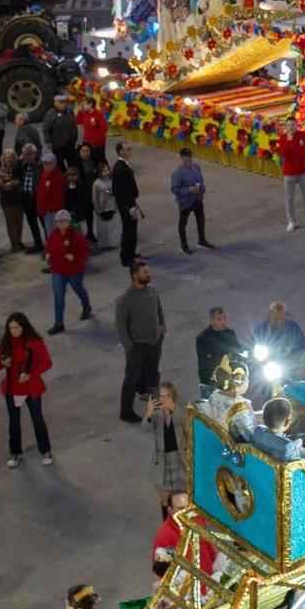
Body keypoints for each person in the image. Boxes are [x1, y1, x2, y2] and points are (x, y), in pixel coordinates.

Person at [0, 312, 54, 468]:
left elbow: (47, 363)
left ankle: (46, 451)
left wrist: (31, 375)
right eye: (10, 328)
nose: (13, 331)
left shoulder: (35, 342)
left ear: (24, 326)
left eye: (16, 327)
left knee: (37, 419)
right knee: (13, 422)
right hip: (11, 388)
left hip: (30, 387)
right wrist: (3, 362)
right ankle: (15, 452)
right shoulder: (6, 342)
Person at [116, 259, 167, 423]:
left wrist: (162, 325)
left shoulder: (152, 291)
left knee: (153, 374)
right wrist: (130, 347)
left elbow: (159, 309)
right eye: (145, 272)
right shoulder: (126, 300)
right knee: (131, 378)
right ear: (135, 275)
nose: (148, 274)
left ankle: (154, 404)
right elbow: (120, 325)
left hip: (155, 342)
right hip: (138, 346)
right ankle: (126, 411)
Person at [44, 211, 94, 333]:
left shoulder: (76, 236)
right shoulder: (53, 235)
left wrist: (75, 257)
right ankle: (59, 322)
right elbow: (49, 247)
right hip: (58, 270)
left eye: (64, 221)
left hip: (74, 270)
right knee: (58, 297)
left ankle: (86, 306)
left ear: (69, 222)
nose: (61, 223)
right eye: (59, 221)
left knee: (78, 289)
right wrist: (48, 254)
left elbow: (86, 251)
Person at [147, 382, 190, 518]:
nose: (163, 398)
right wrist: (148, 414)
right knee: (165, 499)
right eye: (161, 395)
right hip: (162, 464)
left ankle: (185, 527)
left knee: (183, 498)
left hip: (179, 461)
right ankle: (167, 528)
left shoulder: (179, 411)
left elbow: (189, 426)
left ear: (173, 396)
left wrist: (174, 409)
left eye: (167, 395)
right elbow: (145, 429)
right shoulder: (156, 414)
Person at [278, 121, 305, 232]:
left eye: (293, 125)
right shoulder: (283, 138)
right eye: (289, 125)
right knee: (289, 198)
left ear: (296, 126)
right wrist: (289, 140)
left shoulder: (303, 135)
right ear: (286, 127)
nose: (291, 127)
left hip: (303, 172)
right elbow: (283, 153)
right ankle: (291, 221)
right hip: (289, 173)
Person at [170, 147, 213, 252]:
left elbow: (201, 180)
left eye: (190, 156)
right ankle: (184, 245)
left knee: (201, 220)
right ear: (181, 157)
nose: (189, 158)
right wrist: (189, 190)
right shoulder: (177, 173)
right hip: (185, 202)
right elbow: (175, 189)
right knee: (183, 223)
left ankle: (201, 240)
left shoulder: (196, 167)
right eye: (186, 157)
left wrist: (202, 191)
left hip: (197, 199)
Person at [195, 306, 242, 400]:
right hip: (210, 382)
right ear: (211, 320)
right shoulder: (203, 338)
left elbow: (238, 352)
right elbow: (204, 363)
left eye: (224, 318)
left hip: (229, 381)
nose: (223, 322)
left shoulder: (230, 333)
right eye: (219, 319)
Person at [113, 142, 142, 266]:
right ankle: (126, 257)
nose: (129, 150)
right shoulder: (120, 168)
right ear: (120, 151)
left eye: (130, 148)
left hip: (128, 202)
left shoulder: (123, 165)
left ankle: (130, 252)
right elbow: (124, 190)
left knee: (131, 228)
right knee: (129, 229)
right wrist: (130, 207)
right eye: (127, 149)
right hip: (126, 204)